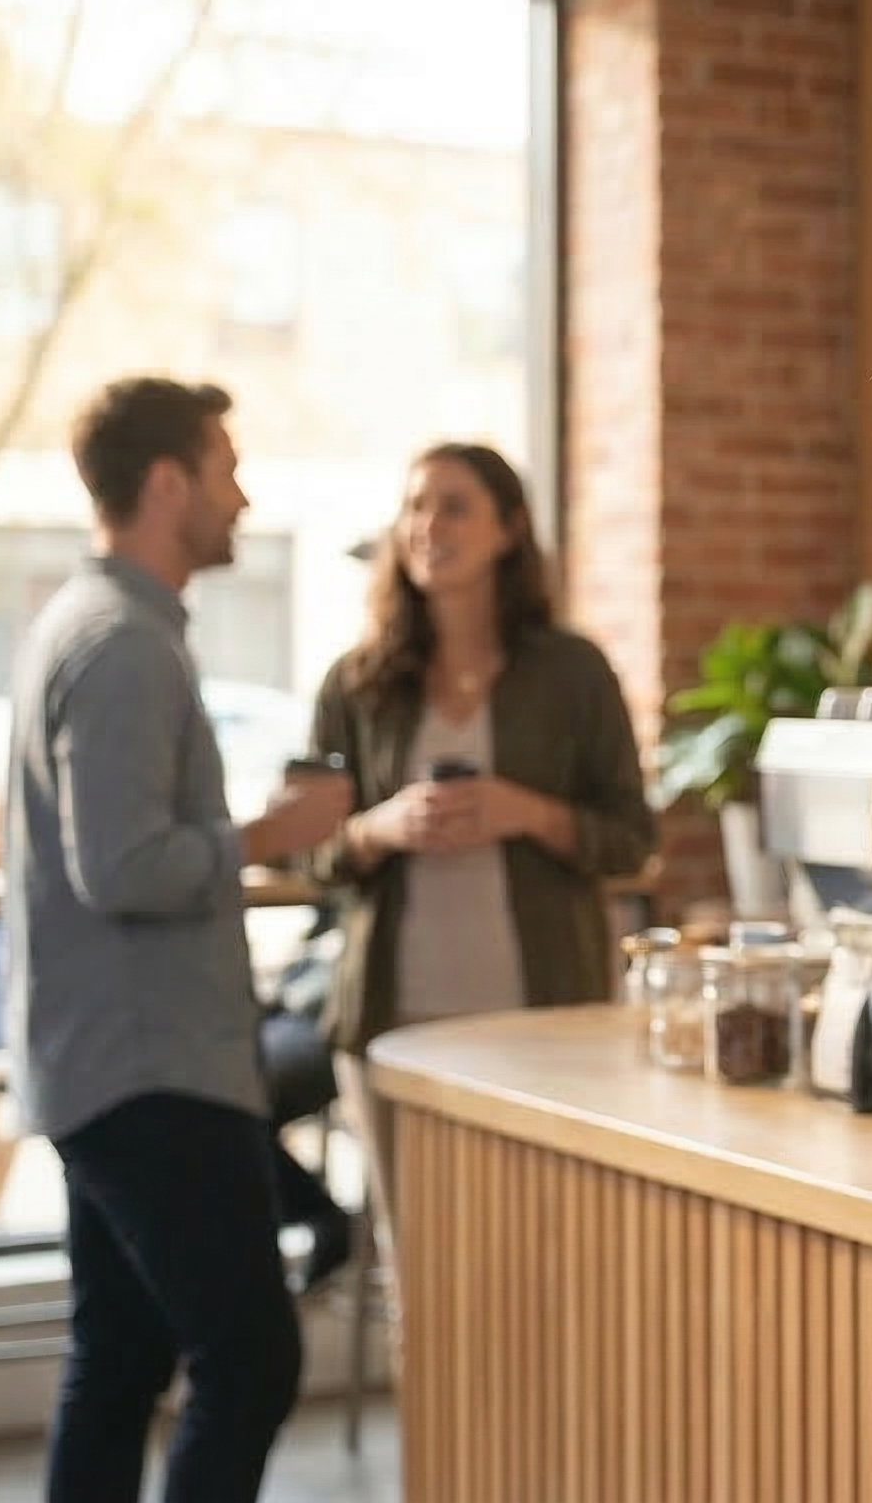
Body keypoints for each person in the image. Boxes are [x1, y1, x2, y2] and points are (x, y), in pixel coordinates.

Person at [3, 376, 354, 1503]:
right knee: (250, 1361)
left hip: (112, 1062)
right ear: (167, 484)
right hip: (149, 1073)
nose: (242, 494)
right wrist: (270, 832)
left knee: (122, 1358)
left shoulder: (98, 626)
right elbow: (125, 868)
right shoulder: (123, 646)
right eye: (225, 466)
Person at [307, 442, 656, 1267]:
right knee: (418, 1269)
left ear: (510, 529)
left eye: (454, 505)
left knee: (541, 1259)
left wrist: (526, 812)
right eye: (414, 506)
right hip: (391, 1022)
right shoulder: (357, 684)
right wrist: (378, 827)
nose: (428, 525)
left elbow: (633, 841)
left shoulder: (574, 673)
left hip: (544, 1022)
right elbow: (308, 853)